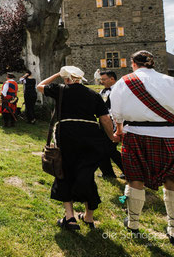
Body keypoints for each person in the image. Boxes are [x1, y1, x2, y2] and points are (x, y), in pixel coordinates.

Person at [110, 50, 174, 244]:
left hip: (136, 135)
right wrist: (167, 116)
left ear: (133, 63)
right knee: (172, 180)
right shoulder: (172, 81)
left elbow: (116, 113)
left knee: (135, 179)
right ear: (152, 63)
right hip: (170, 135)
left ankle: (133, 223)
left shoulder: (124, 81)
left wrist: (118, 131)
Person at [37, 66, 117, 230]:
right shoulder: (93, 94)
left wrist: (56, 74)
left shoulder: (60, 89)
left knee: (64, 172)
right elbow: (105, 118)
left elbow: (40, 86)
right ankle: (88, 216)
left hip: (67, 135)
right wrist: (112, 136)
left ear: (66, 79)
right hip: (91, 136)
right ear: (81, 79)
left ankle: (70, 217)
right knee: (87, 174)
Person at [97, 70, 124, 179]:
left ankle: (127, 171)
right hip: (104, 122)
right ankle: (107, 172)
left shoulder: (121, 91)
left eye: (104, 79)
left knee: (110, 149)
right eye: (101, 80)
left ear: (112, 79)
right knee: (100, 147)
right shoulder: (102, 92)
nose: (102, 82)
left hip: (116, 122)